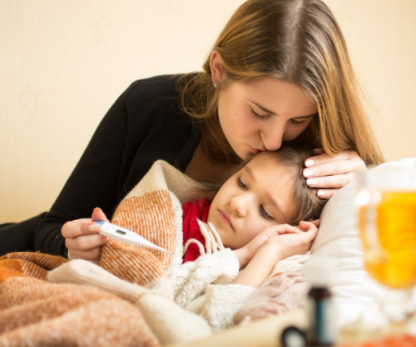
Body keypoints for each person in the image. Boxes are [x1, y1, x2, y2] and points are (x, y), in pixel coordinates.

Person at [0, 0, 385, 258]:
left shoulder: (322, 152)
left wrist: (370, 186)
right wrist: (75, 247)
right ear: (218, 69)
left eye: (297, 121)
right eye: (258, 112)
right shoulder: (148, 104)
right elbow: (52, 226)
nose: (273, 140)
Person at [70, 145, 325, 331]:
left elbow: (217, 328)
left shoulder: (263, 274)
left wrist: (267, 252)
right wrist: (95, 251)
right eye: (243, 183)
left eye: (265, 211)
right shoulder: (167, 211)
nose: (238, 203)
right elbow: (137, 281)